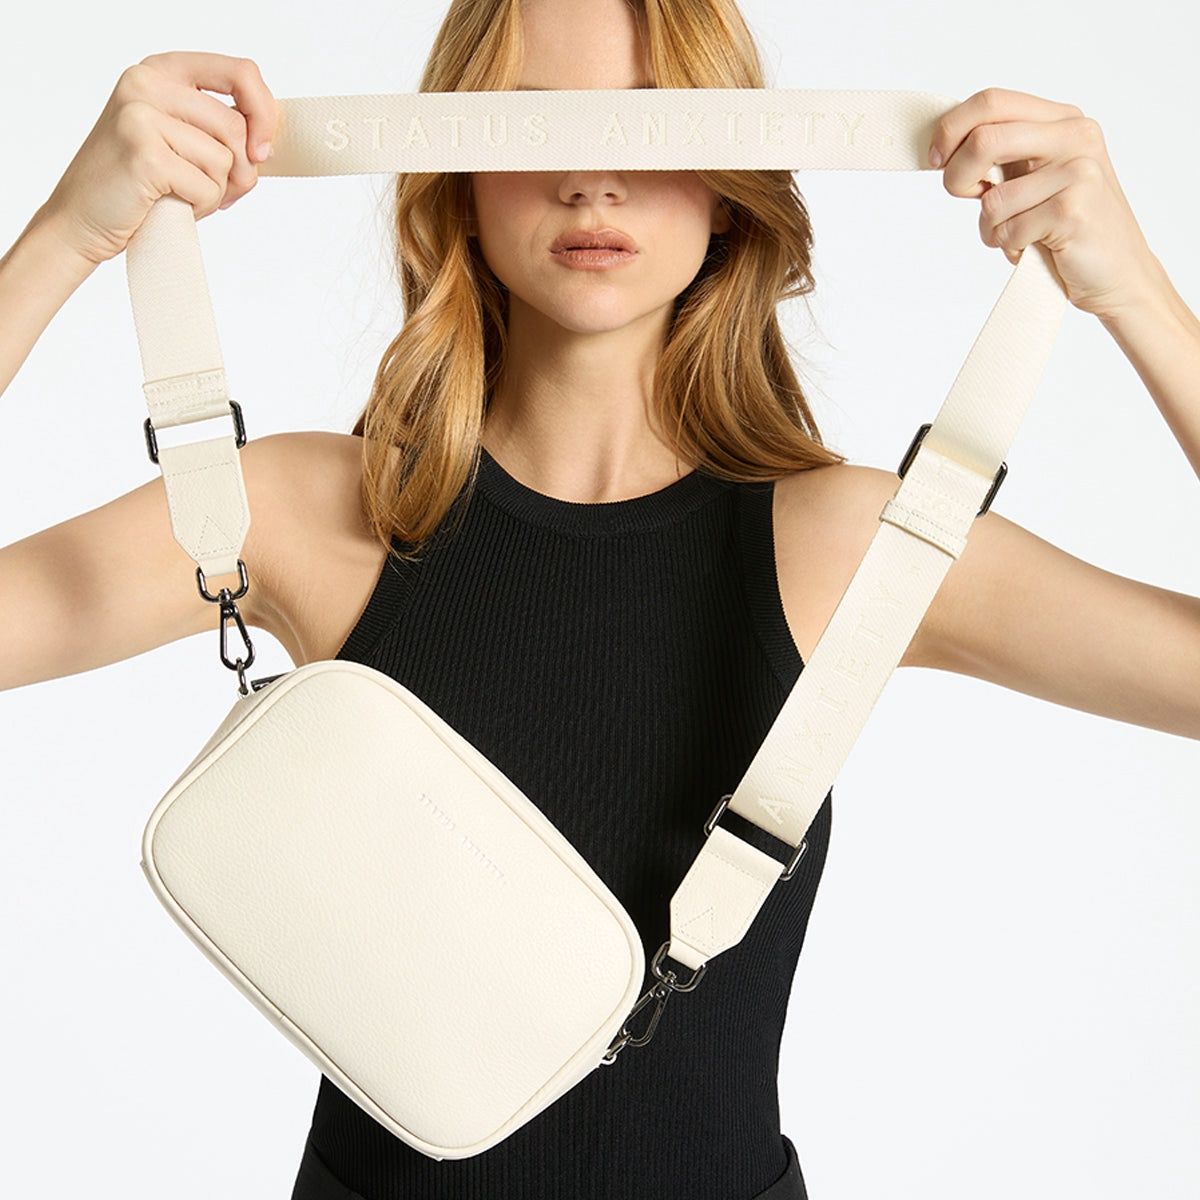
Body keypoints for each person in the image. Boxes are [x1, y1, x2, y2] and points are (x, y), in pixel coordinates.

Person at [2, 0, 1197, 1197]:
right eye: (533, 128)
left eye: (651, 124)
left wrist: (1135, 291)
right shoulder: (304, 515)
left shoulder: (856, 547)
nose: (592, 178)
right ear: (460, 175)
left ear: (729, 186)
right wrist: (64, 237)